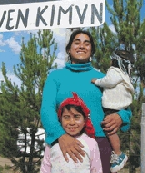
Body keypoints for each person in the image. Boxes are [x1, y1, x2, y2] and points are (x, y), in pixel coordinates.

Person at [40, 29, 132, 173]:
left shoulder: (103, 79)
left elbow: (124, 105)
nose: (82, 46)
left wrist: (120, 116)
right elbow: (47, 109)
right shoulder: (55, 77)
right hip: (63, 143)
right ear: (69, 49)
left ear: (91, 51)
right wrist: (60, 136)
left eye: (86, 43)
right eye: (77, 42)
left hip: (100, 144)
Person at [91, 49, 135, 172]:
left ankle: (118, 154)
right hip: (116, 106)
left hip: (111, 109)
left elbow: (108, 82)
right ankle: (117, 153)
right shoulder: (123, 74)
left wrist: (97, 81)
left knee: (109, 130)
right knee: (111, 131)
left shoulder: (113, 72)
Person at [40, 92, 103, 173]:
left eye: (76, 117)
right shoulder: (52, 143)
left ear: (85, 121)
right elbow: (45, 169)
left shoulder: (91, 143)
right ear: (60, 120)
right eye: (66, 117)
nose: (72, 122)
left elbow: (96, 170)